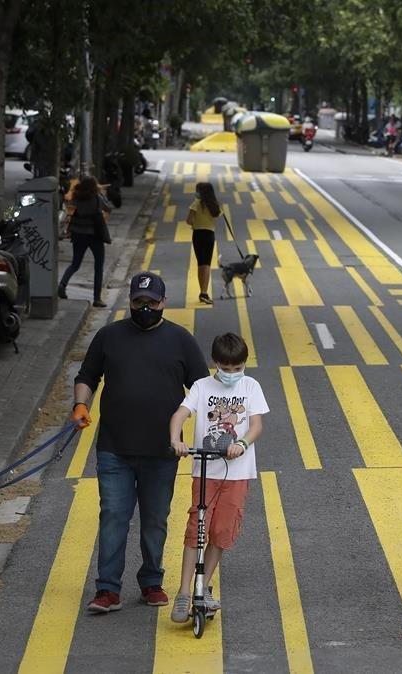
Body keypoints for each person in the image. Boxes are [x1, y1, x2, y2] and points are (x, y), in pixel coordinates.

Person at [72, 271, 208, 613]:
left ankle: (151, 582)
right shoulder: (109, 336)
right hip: (114, 449)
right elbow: (87, 376)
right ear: (130, 301)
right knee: (114, 516)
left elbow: (203, 391)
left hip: (162, 453)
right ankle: (107, 589)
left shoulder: (181, 340)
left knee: (155, 520)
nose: (144, 307)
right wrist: (80, 404)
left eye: (151, 302)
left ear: (163, 303)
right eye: (138, 301)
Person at [166, 332, 268, 622]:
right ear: (215, 363)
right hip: (205, 471)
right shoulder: (202, 387)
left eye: (238, 368)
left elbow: (257, 425)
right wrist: (177, 440)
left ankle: (202, 585)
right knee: (196, 530)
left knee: (222, 533)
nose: (232, 374)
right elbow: (180, 414)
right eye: (226, 368)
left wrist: (243, 444)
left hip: (238, 474)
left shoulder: (251, 386)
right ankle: (184, 590)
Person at [58, 176, 113, 307]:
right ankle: (97, 298)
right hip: (95, 236)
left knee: (75, 264)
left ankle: (62, 285)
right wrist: (102, 194)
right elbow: (108, 208)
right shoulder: (97, 198)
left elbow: (70, 209)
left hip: (78, 234)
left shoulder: (76, 198)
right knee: (98, 267)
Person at [186, 182, 222, 305]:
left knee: (200, 263)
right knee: (206, 264)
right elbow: (217, 216)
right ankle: (204, 292)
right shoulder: (214, 205)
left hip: (198, 235)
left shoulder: (195, 204)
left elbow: (189, 221)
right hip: (209, 235)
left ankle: (202, 291)